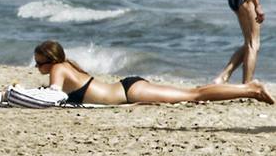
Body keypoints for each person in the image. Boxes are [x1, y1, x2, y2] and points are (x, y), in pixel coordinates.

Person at [34, 40, 273, 106]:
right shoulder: (65, 67)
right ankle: (250, 89)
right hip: (128, 89)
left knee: (194, 94)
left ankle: (250, 88)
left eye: (39, 64)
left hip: (130, 92)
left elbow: (53, 94)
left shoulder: (58, 68)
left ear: (50, 61)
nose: (38, 69)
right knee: (193, 94)